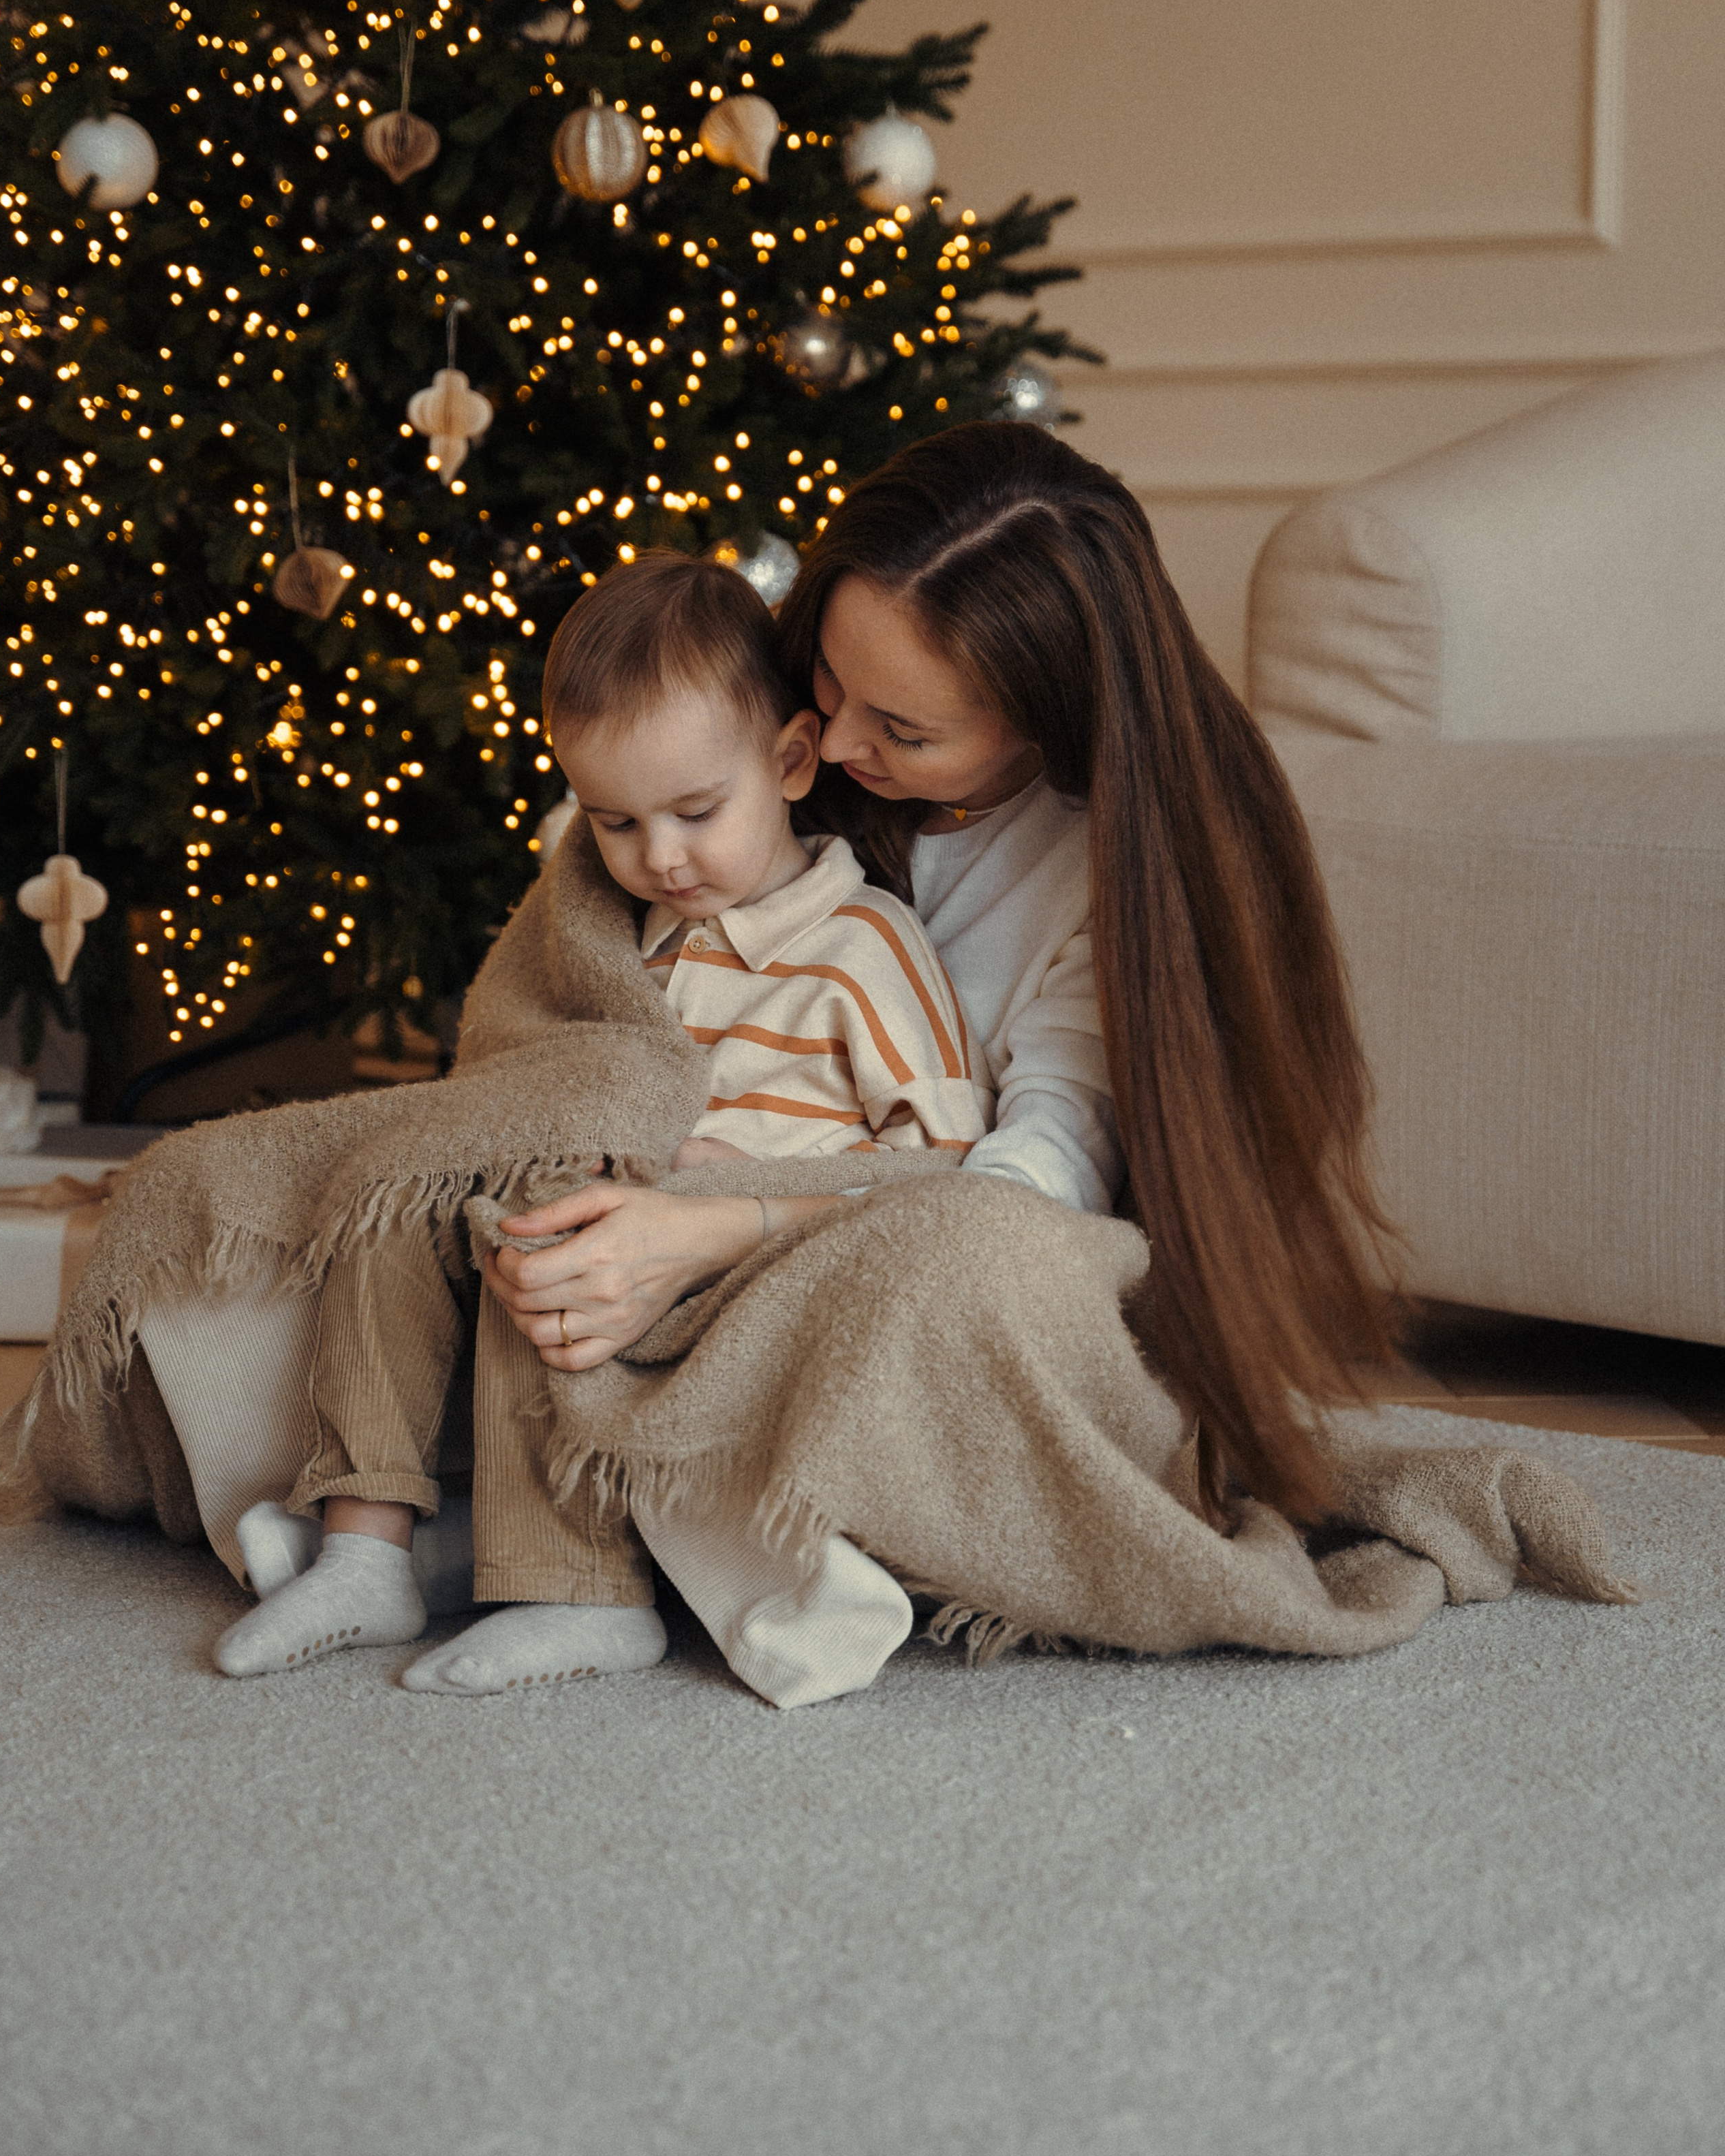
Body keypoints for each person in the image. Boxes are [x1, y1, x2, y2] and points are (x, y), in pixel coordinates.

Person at [468, 421, 1403, 1690]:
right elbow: (585, 970)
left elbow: (1035, 1180)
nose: (837, 747)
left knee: (954, 1263)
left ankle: (664, 1511)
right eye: (831, 685)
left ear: (1046, 719)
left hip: (934, 1235)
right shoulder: (782, 756)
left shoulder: (1115, 873)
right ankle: (555, 1511)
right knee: (436, 1206)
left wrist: (719, 1224)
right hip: (705, 1177)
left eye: (901, 731)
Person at [209, 553, 991, 1685]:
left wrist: (731, 1183)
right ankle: (365, 1547)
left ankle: (577, 1587)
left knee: (550, 1223)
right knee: (403, 1191)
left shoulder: (863, 950)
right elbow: (551, 1055)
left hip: (740, 1252)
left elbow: (947, 1170)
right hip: (605, 1198)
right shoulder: (634, 936)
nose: (657, 859)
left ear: (788, 761)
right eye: (616, 823)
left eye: (694, 812)